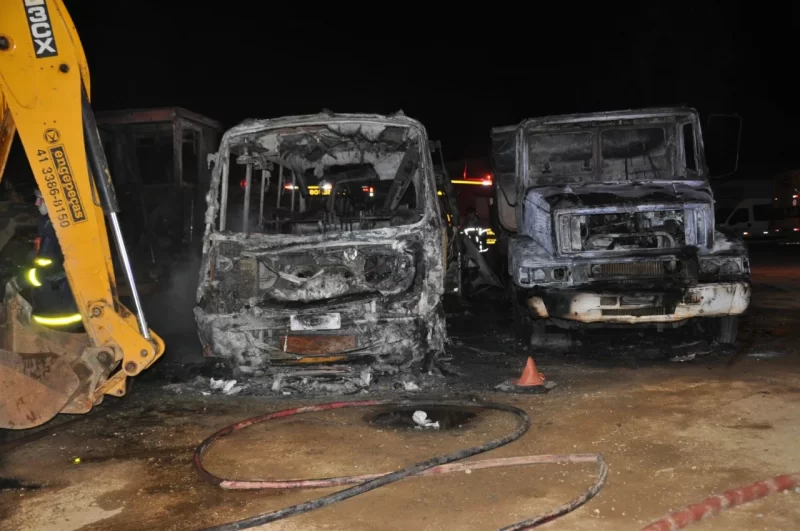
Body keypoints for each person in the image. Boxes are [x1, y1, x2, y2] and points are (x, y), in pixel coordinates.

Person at [19, 189, 82, 329]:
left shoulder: (60, 228)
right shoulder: (49, 222)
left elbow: (50, 270)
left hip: (61, 313)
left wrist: (22, 279)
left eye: (40, 199)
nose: (36, 203)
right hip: (50, 304)